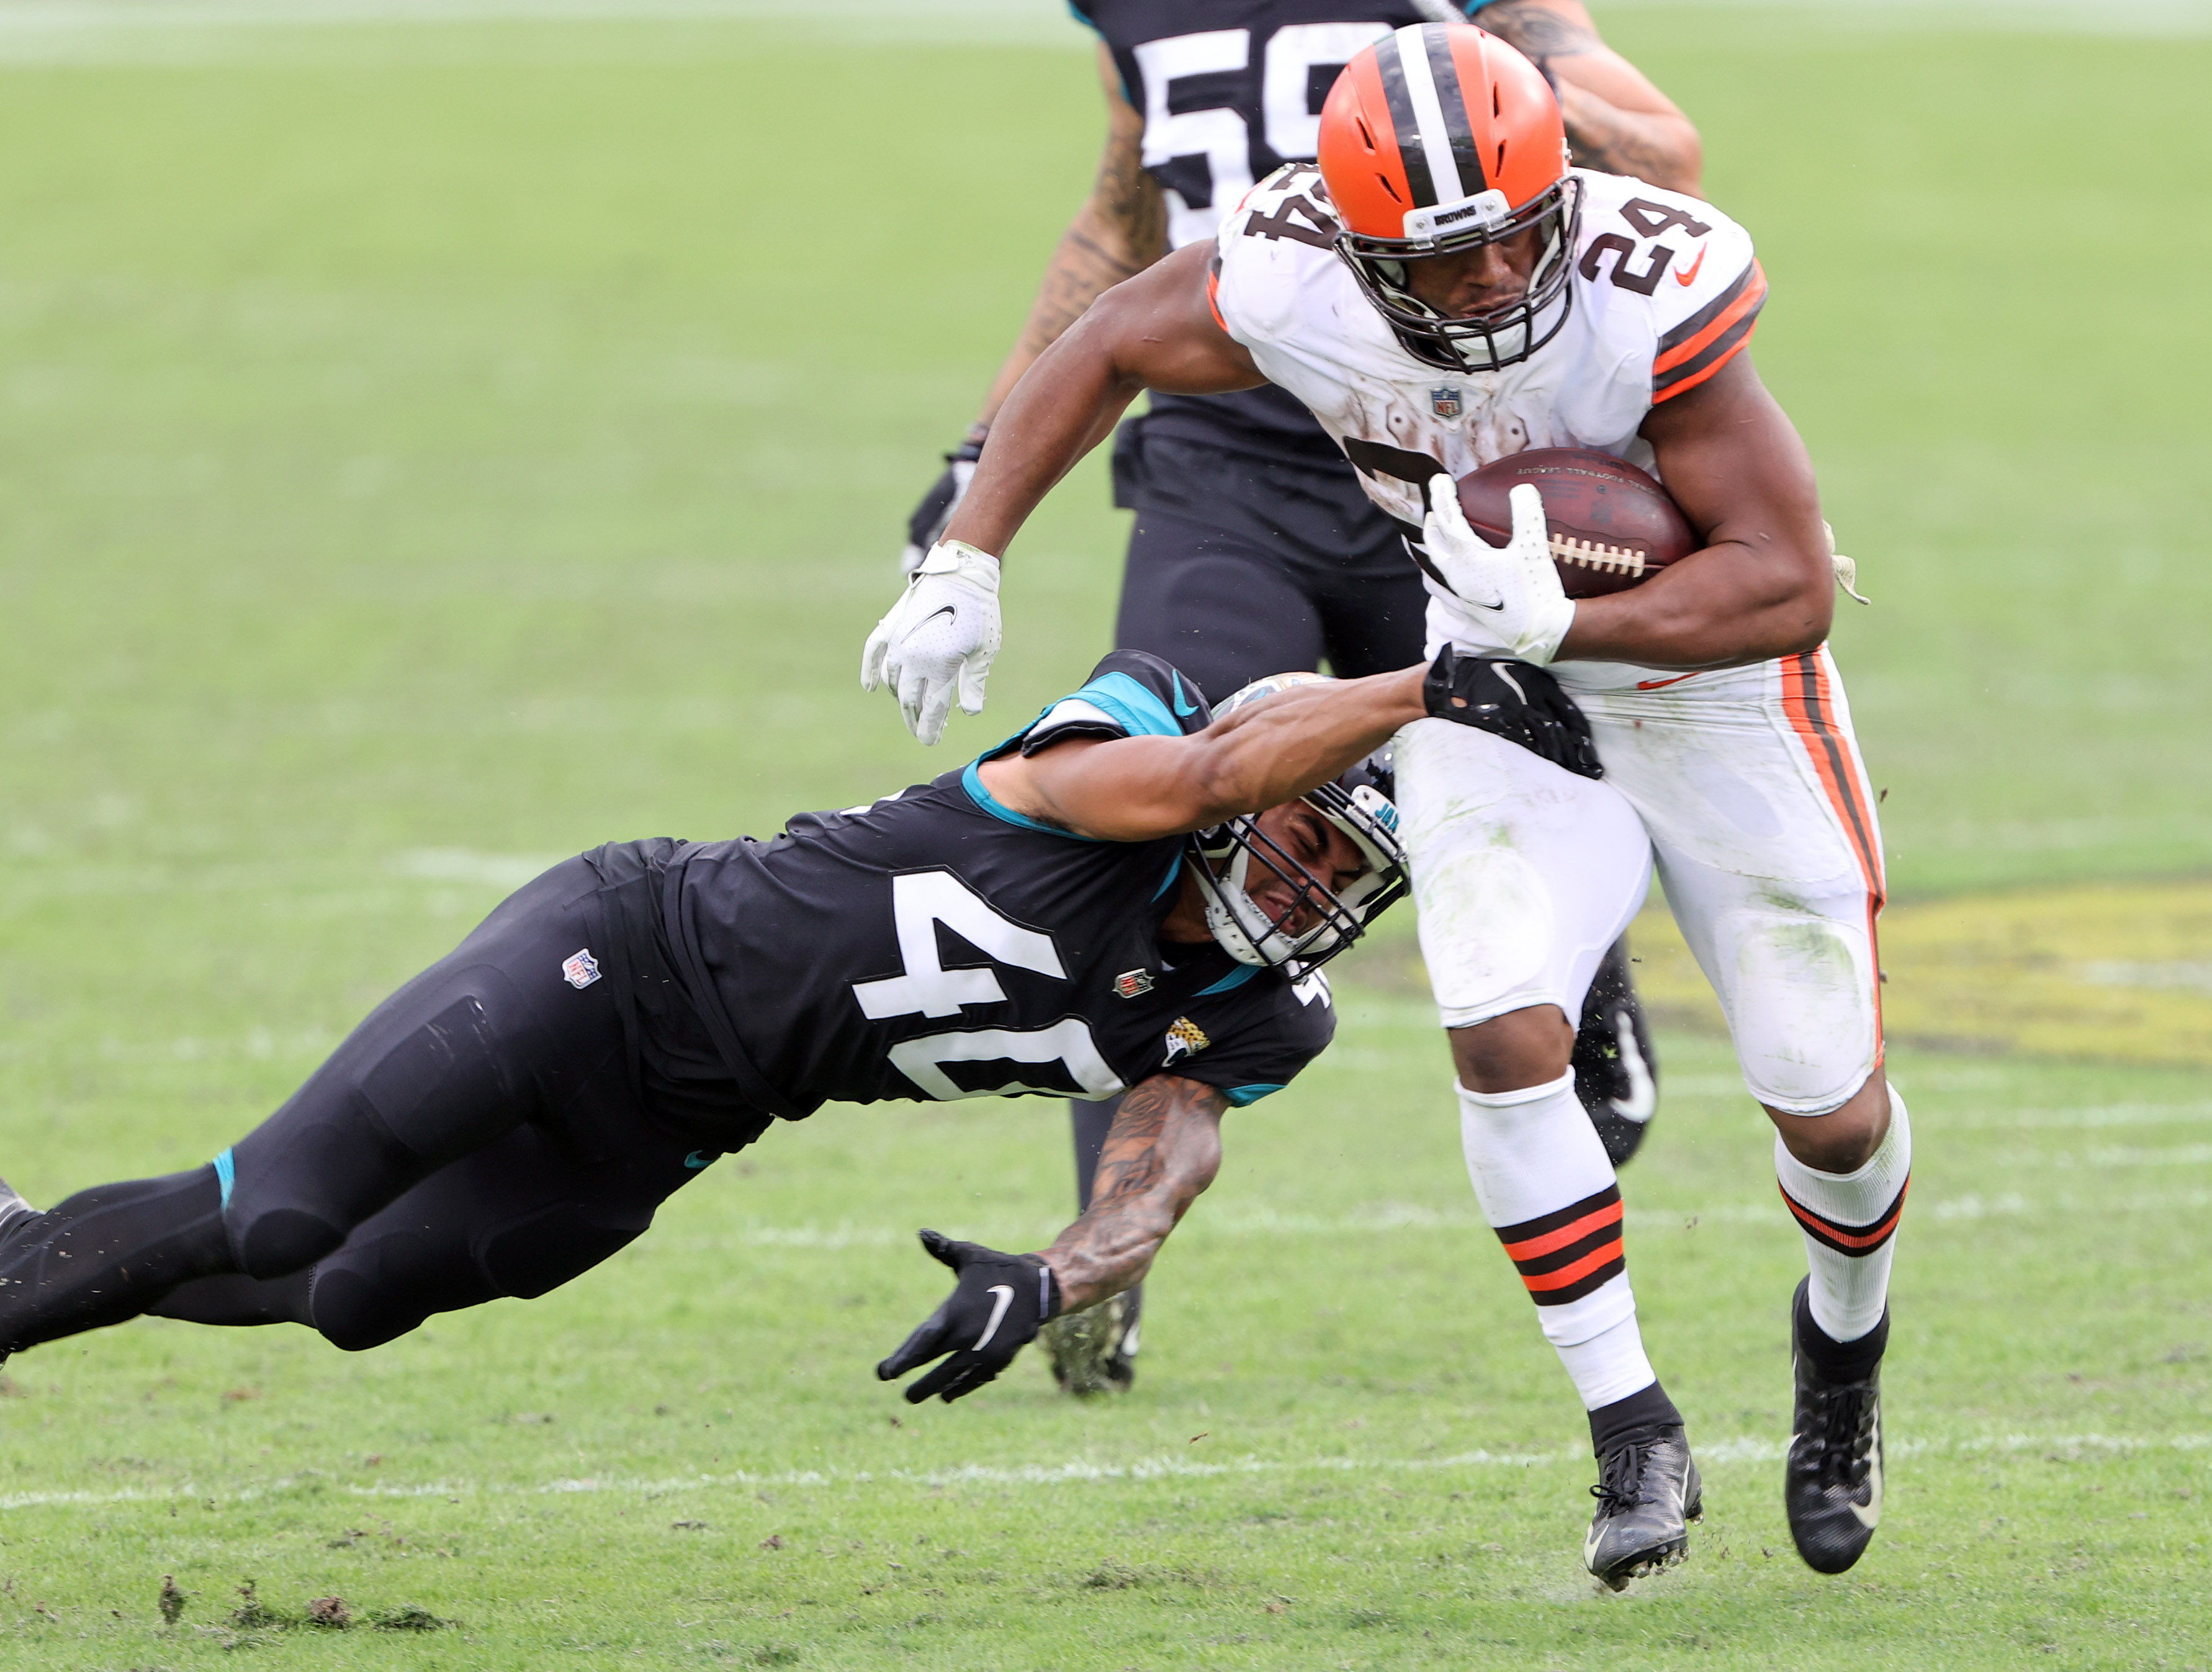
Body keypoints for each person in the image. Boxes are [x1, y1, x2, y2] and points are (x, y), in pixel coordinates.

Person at [861, 22, 1899, 1589]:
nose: (1483, 285)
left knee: (1828, 1105)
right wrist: (970, 554)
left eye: (1505, 244)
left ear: (1560, 198)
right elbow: (1113, 341)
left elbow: (1785, 587)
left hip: (1714, 704)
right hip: (1492, 689)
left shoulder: (1650, 286)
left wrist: (1568, 619)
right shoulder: (1296, 271)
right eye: (1439, 261)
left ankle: (1841, 1360)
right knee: (1492, 1025)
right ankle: (1632, 1430)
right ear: (1351, 247)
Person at [0, 647, 1587, 1405]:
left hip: (688, 1115)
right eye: (1309, 836)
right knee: (282, 1199)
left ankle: (24, 1245)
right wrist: (1428, 688)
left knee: (342, 1294)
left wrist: (1051, 1277)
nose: (1312, 887)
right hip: (617, 951)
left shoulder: (1256, 1020)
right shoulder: (1115, 771)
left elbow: (1158, 1181)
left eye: (1349, 878)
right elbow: (1198, 781)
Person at [896, 0, 1696, 1396]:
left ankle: (1593, 980)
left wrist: (1508, 60)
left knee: (1528, 765)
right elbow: (1117, 224)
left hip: (1447, 460)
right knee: (1147, 794)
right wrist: (985, 450)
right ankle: (1104, 1252)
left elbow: (1665, 163)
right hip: (1222, 469)